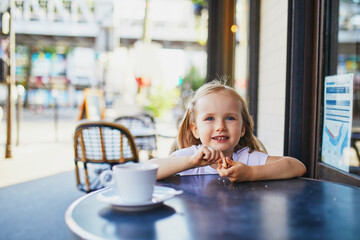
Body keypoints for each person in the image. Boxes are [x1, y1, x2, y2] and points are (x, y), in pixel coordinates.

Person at [149, 80, 306, 182]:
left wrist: (250, 173)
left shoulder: (246, 158)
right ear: (195, 130)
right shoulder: (190, 157)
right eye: (210, 118)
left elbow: (297, 166)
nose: (220, 127)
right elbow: (147, 171)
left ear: (243, 128)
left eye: (230, 118)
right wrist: (190, 162)